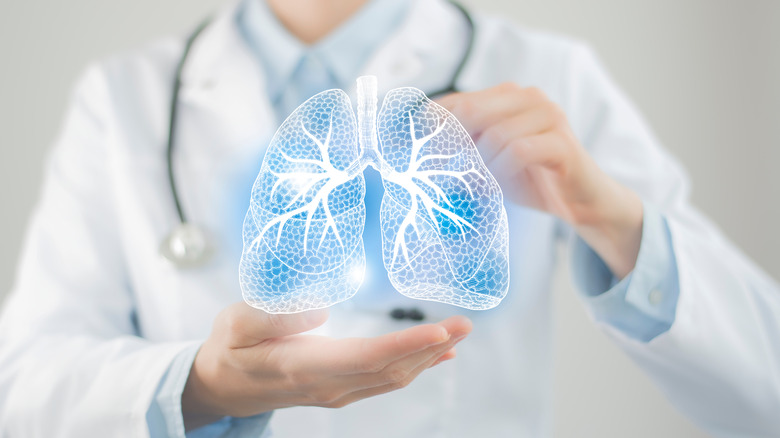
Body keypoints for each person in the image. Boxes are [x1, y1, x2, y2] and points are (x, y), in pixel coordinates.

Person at [1, 0, 779, 436]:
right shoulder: (126, 96)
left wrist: (611, 217)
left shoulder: (546, 75)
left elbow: (765, 387)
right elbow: (22, 387)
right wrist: (200, 387)